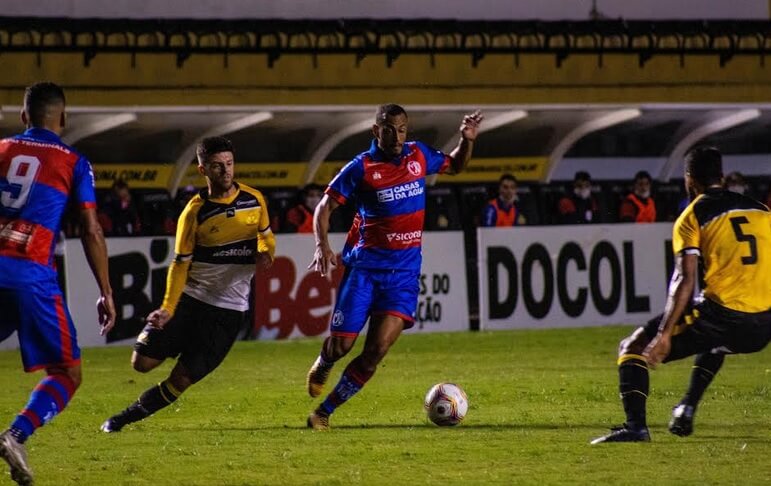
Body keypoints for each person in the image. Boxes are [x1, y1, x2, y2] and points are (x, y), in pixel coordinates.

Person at [304, 104, 484, 430]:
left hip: (403, 275)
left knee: (375, 351)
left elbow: (456, 165)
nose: (398, 136)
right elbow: (324, 208)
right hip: (364, 270)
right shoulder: (361, 167)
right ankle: (325, 361)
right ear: (377, 131)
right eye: (390, 129)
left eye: (402, 129)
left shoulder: (419, 156)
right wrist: (322, 245)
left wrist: (467, 139)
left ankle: (324, 412)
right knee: (342, 345)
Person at [591, 146, 771, 444]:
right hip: (763, 325)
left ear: (689, 180)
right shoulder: (761, 211)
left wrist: (663, 334)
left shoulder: (692, 216)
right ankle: (686, 407)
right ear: (722, 177)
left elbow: (684, 280)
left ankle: (635, 427)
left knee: (633, 346)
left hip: (724, 317)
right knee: (716, 343)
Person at [100, 136, 275, 432]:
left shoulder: (254, 200)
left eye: (229, 164)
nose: (226, 171)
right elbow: (180, 264)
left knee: (181, 380)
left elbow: (266, 239)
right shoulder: (194, 212)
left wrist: (266, 253)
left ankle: (123, 419)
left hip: (228, 312)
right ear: (203, 169)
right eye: (217, 166)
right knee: (140, 363)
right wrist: (168, 308)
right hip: (191, 301)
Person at [0, 82, 116, 485]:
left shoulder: (0, 149)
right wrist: (106, 290)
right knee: (68, 372)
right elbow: (90, 229)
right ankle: (16, 435)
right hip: (30, 275)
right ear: (63, 119)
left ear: (23, 116)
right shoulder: (73, 162)